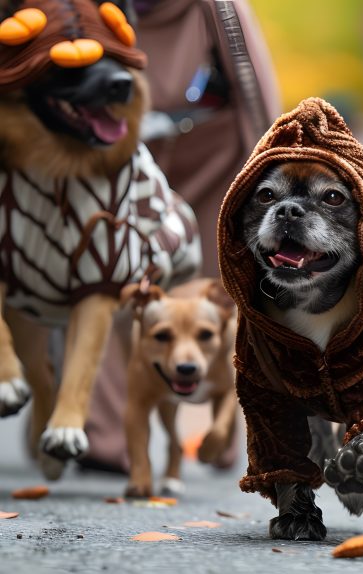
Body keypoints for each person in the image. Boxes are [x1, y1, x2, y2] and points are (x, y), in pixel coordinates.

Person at [81, 0, 280, 472]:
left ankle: (228, 429)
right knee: (114, 282)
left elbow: (255, 90)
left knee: (220, 290)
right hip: (122, 152)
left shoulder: (218, 8)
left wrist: (267, 172)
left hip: (212, 153)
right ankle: (106, 439)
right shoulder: (90, 9)